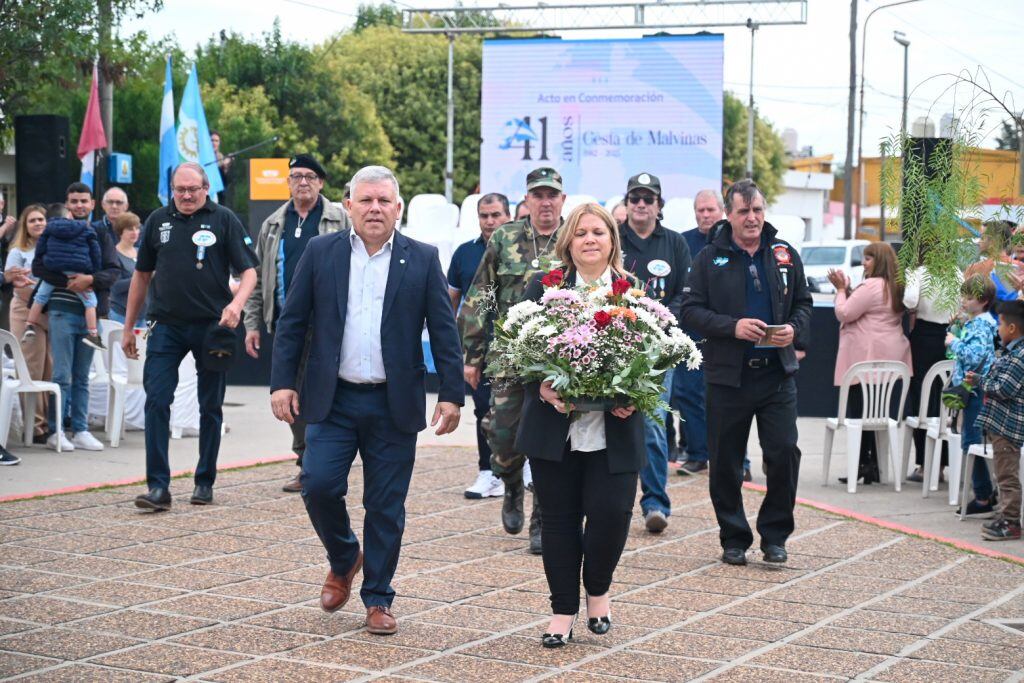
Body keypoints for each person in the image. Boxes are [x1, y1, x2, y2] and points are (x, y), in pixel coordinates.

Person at [270, 165, 463, 636]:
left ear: (397, 209)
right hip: (332, 400)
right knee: (317, 484)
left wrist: (452, 394)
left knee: (385, 506)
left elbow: (443, 329)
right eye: (366, 200)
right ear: (349, 205)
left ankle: (378, 597)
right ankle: (343, 557)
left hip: (392, 405)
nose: (375, 208)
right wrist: (280, 383)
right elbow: (293, 321)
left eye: (384, 201)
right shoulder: (321, 252)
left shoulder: (421, 258)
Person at [516, 203, 643, 648]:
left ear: (612, 241)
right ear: (568, 242)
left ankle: (600, 590)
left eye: (599, 232)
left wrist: (633, 395)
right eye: (581, 232)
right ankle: (562, 610)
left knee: (611, 515)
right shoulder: (543, 287)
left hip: (616, 431)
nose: (590, 239)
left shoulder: (633, 293)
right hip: (556, 429)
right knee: (559, 521)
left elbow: (655, 359)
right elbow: (518, 352)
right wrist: (542, 387)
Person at [680, 179, 812, 566]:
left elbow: (803, 304)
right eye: (743, 212)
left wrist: (795, 329)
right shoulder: (709, 257)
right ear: (729, 214)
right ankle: (733, 537)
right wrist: (732, 327)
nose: (752, 218)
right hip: (727, 377)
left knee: (784, 452)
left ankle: (775, 535)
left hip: (776, 374)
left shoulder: (784, 253)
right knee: (725, 461)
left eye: (757, 210)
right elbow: (690, 312)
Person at [124, 162, 258, 511]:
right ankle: (158, 487)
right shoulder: (157, 220)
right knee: (156, 401)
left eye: (192, 190)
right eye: (179, 190)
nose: (185, 196)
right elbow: (141, 276)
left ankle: (204, 481)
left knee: (210, 406)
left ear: (205, 188)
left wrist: (237, 305)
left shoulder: (224, 218)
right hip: (165, 326)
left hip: (213, 328)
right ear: (172, 189)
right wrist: (128, 328)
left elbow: (249, 272)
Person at [459, 167, 566, 555]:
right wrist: (471, 356)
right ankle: (510, 484)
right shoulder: (505, 237)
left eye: (552, 195)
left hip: (557, 362)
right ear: (528, 200)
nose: (545, 202)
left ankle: (542, 519)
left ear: (562, 200)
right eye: (538, 195)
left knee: (550, 442)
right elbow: (480, 296)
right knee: (502, 435)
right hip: (508, 356)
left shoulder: (573, 238)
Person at [243, 154, 352, 494]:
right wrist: (252, 323)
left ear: (321, 183)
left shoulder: (341, 219)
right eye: (295, 177)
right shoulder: (273, 224)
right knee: (291, 394)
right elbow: (258, 277)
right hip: (288, 323)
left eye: (309, 176)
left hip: (331, 324)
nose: (302, 182)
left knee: (329, 392)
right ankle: (306, 461)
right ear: (287, 183)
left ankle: (326, 460)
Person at [617, 172, 691, 533]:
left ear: (659, 205)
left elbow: (683, 293)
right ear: (627, 203)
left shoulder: (675, 243)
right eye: (635, 199)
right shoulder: (613, 239)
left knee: (652, 425)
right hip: (615, 346)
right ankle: (611, 503)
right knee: (610, 422)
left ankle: (655, 503)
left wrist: (660, 320)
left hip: (659, 350)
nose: (642, 205)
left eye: (649, 199)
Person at [31, 182, 121, 453]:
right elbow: (38, 266)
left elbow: (114, 271)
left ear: (93, 204)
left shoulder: (102, 233)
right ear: (67, 204)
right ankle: (55, 430)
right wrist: (71, 280)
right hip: (60, 310)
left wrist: (89, 279)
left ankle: (80, 429)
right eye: (74, 201)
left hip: (92, 314)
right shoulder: (54, 230)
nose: (79, 205)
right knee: (61, 375)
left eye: (84, 200)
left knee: (82, 376)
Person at [827, 241, 912, 485]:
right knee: (878, 413)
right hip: (892, 357)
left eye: (868, 258)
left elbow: (844, 313)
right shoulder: (895, 286)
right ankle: (873, 464)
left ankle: (864, 463)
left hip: (864, 355)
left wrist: (841, 290)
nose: (864, 262)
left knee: (858, 413)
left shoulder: (872, 285)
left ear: (879, 261)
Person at [448, 192, 510, 499]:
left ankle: (520, 469)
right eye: (484, 215)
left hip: (517, 346)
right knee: (484, 410)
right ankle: (488, 472)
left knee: (521, 411)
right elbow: (452, 301)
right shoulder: (463, 253)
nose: (490, 221)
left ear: (507, 216)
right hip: (479, 348)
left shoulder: (521, 251)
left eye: (496, 215)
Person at [674, 190, 722, 476]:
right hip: (689, 333)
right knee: (689, 395)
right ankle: (696, 454)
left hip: (723, 333)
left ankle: (738, 460)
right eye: (700, 210)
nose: (705, 215)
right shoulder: (683, 242)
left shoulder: (733, 239)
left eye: (710, 210)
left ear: (722, 211)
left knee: (727, 399)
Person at [970, 299, 1024, 541]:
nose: (997, 329)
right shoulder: (1010, 352)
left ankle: (1011, 522)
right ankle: (1005, 516)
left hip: (1008, 428)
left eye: (1000, 324)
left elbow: (1004, 389)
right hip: (1000, 425)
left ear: (1012, 329)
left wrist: (980, 382)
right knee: (1002, 475)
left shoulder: (1019, 357)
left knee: (1007, 477)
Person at [3, 205, 51, 457]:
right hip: (24, 309)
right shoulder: (18, 250)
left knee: (47, 368)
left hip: (49, 310)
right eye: (32, 220)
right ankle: (34, 427)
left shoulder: (52, 246)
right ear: (25, 224)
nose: (38, 223)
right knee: (31, 368)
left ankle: (45, 423)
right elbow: (11, 278)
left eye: (41, 219)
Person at [947, 276, 997, 516]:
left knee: (971, 442)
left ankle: (982, 496)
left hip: (974, 390)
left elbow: (974, 356)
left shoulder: (979, 326)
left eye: (969, 297)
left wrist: (954, 343)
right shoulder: (977, 323)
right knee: (971, 440)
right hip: (975, 389)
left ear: (984, 301)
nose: (964, 301)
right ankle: (986, 490)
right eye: (963, 296)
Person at [903, 260, 956, 483]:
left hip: (923, 337)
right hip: (947, 334)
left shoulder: (919, 271)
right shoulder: (955, 271)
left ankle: (924, 465)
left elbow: (910, 299)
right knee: (943, 400)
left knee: (921, 400)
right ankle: (943, 465)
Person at [23, 216, 104, 350]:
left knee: (40, 297)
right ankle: (93, 334)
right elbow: (95, 251)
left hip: (54, 268)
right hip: (77, 268)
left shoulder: (49, 228)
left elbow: (40, 249)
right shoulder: (86, 228)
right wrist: (93, 271)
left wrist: (46, 261)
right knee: (90, 303)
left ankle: (29, 325)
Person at [108, 212, 144, 325]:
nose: (134, 232)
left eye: (137, 228)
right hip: (121, 314)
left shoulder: (142, 253)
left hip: (144, 315)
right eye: (130, 229)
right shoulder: (113, 254)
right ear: (120, 231)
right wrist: (142, 276)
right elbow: (115, 287)